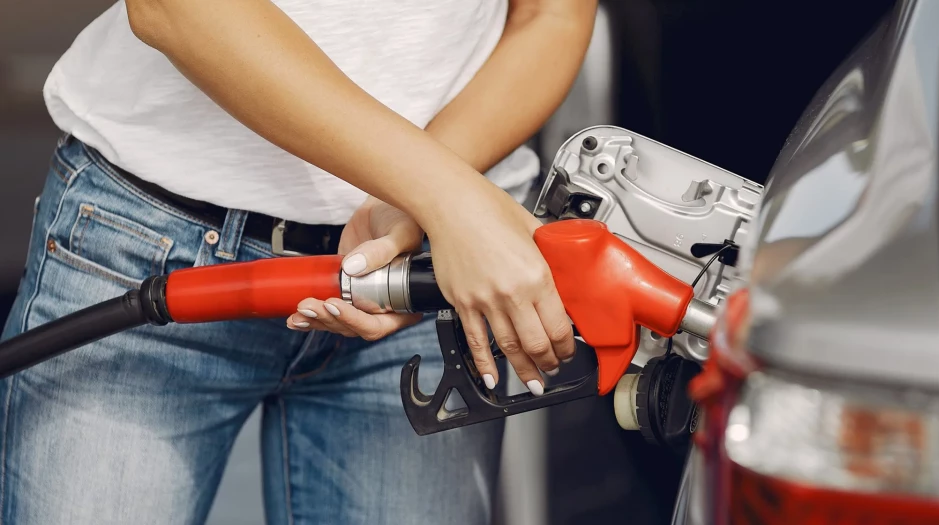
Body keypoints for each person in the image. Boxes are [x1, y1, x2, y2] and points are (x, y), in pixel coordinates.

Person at [0, 0, 596, 523]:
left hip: (424, 278)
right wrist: (447, 197)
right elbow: (172, 7)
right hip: (148, 246)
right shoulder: (449, 200)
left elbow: (552, 15)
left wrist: (417, 201)